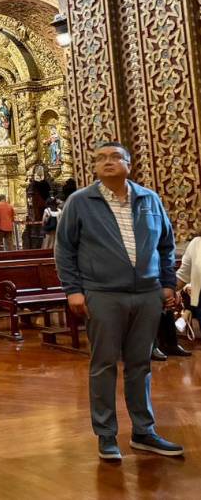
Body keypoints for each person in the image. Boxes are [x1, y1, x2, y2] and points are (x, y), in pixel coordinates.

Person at [54, 141, 182, 460]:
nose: (108, 162)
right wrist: (73, 290)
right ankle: (106, 434)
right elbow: (64, 250)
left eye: (115, 157)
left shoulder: (149, 200)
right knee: (104, 365)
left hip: (148, 294)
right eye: (100, 159)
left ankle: (143, 431)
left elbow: (166, 245)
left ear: (128, 164)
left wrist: (167, 284)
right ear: (94, 168)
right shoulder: (80, 202)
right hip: (103, 293)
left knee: (140, 365)